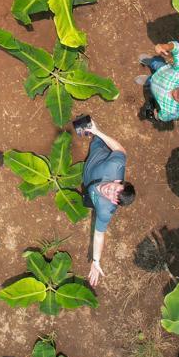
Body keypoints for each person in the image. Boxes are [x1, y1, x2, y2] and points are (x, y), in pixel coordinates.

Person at [75, 118, 135, 287]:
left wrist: (96, 261)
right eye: (116, 188)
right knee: (95, 139)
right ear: (118, 181)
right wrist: (97, 132)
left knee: (87, 198)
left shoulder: (104, 210)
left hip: (88, 184)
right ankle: (93, 131)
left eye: (113, 196)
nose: (110, 190)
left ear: (114, 202)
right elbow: (121, 150)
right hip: (98, 152)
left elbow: (99, 234)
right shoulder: (115, 165)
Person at [137, 41, 179, 123]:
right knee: (157, 63)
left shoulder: (174, 112)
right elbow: (177, 49)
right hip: (162, 70)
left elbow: (164, 117)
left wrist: (157, 116)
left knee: (151, 86)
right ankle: (151, 62)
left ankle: (148, 80)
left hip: (155, 89)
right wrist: (165, 46)